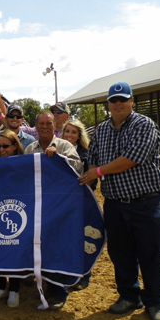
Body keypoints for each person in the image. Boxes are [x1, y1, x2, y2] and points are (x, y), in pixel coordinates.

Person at [79, 82, 160, 320]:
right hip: (115, 204)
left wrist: (96, 172)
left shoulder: (144, 124)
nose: (118, 104)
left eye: (123, 99)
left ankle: (154, 302)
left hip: (145, 202)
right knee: (120, 253)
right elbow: (92, 160)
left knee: (151, 253)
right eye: (113, 100)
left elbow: (131, 159)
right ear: (108, 104)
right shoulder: (101, 131)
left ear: (132, 101)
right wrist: (89, 181)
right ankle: (129, 296)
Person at [25, 111, 82, 311]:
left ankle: (59, 292)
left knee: (57, 248)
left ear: (54, 125)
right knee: (41, 247)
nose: (45, 127)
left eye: (48, 123)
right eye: (41, 123)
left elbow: (78, 168)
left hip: (60, 206)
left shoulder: (64, 145)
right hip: (38, 206)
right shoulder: (30, 149)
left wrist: (60, 157)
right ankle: (46, 285)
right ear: (36, 126)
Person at [0, 130, 25, 307]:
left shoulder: (26, 164)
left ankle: (15, 289)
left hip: (18, 211)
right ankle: (1, 286)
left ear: (15, 146)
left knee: (15, 249)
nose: (1, 150)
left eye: (6, 146)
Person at [61, 119, 95, 290]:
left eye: (74, 132)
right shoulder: (57, 150)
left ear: (79, 136)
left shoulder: (86, 154)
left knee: (82, 239)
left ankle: (84, 276)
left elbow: (92, 180)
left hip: (80, 202)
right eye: (67, 131)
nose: (69, 135)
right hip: (62, 203)